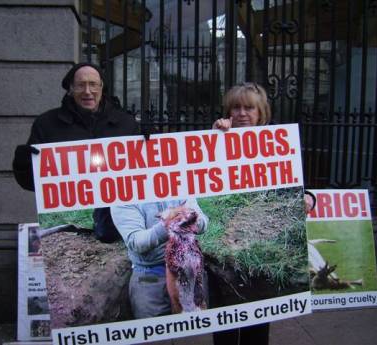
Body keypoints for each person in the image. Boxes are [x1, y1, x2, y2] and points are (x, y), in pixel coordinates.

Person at [212, 82, 315, 345]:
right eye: (236, 107)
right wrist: (212, 139)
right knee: (224, 319)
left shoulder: (278, 144)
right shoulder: (216, 138)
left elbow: (299, 183)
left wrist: (308, 198)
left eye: (249, 107)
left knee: (256, 318)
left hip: (259, 240)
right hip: (226, 238)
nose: (242, 113)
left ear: (262, 113)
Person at [12, 62, 139, 242]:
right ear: (70, 89)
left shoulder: (126, 124)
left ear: (102, 88)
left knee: (108, 236)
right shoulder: (47, 124)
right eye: (81, 85)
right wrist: (23, 163)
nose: (88, 91)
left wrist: (150, 144)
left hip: (115, 207)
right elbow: (32, 183)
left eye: (93, 84)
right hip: (70, 204)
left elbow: (143, 177)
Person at [110, 200, 208, 318]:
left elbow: (203, 222)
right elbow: (136, 241)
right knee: (157, 332)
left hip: (189, 272)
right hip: (150, 278)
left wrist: (192, 220)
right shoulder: (123, 199)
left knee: (197, 327)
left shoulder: (178, 184)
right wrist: (166, 225)